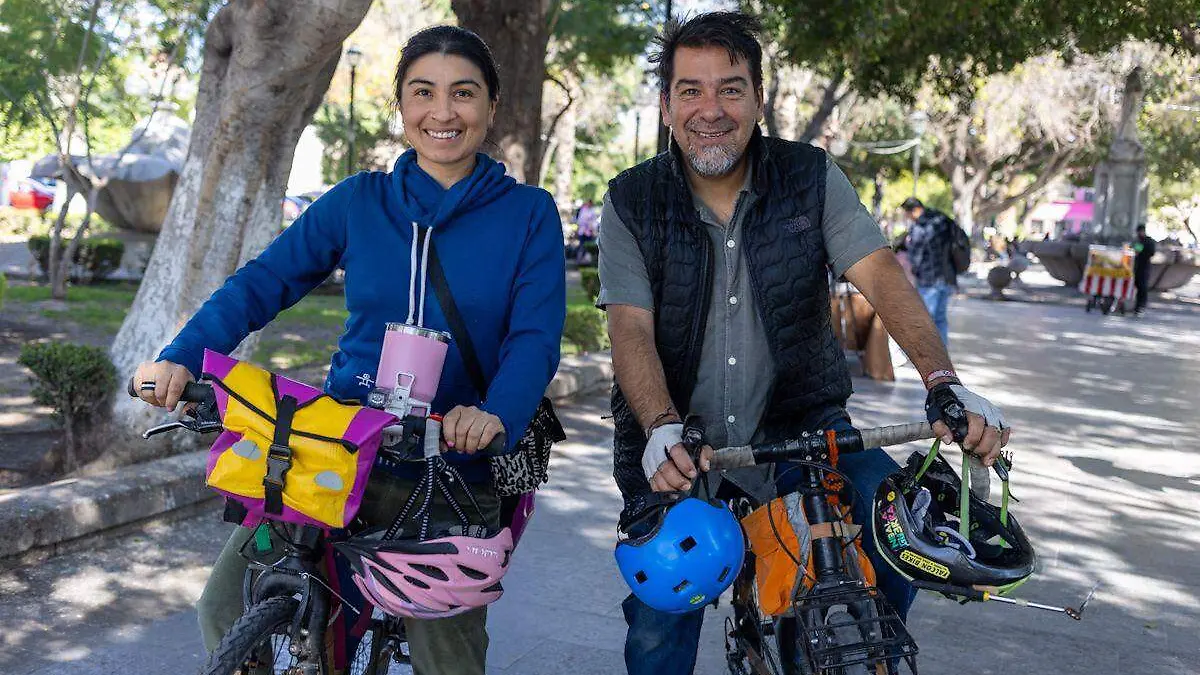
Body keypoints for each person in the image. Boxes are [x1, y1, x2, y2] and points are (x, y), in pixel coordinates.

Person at [131, 25, 565, 675]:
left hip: (450, 464)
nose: (442, 112)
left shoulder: (529, 213)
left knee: (445, 656)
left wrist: (495, 413)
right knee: (225, 606)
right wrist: (182, 355)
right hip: (335, 449)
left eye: (463, 93)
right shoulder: (360, 202)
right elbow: (261, 284)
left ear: (491, 106)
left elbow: (535, 336)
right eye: (424, 92)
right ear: (401, 106)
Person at [595, 12, 1010, 675]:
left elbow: (880, 276)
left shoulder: (811, 176)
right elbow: (630, 330)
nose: (711, 109)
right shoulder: (631, 201)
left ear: (759, 99)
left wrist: (942, 380)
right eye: (691, 90)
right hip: (679, 446)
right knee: (659, 624)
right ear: (667, 103)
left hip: (806, 430)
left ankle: (835, 653)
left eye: (730, 89)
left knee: (892, 527)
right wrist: (660, 425)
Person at [902, 196, 962, 346]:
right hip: (947, 276)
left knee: (926, 320)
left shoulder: (920, 226)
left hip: (929, 279)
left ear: (914, 210)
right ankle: (943, 356)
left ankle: (930, 357)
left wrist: (913, 273)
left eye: (907, 214)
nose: (908, 217)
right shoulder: (941, 219)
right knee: (940, 318)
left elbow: (915, 256)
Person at [1133, 223, 1157, 315]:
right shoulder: (1139, 241)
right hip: (1138, 266)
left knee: (1142, 287)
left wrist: (1141, 251)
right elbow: (1136, 252)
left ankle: (1140, 306)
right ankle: (1137, 306)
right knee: (1138, 286)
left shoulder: (1148, 241)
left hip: (1144, 267)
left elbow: (1150, 253)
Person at [575, 198, 600, 263]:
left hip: (589, 232)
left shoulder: (592, 211)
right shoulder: (583, 210)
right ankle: (579, 259)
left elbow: (594, 222)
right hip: (583, 231)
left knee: (588, 247)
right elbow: (580, 220)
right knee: (581, 246)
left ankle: (586, 260)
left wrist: (591, 227)